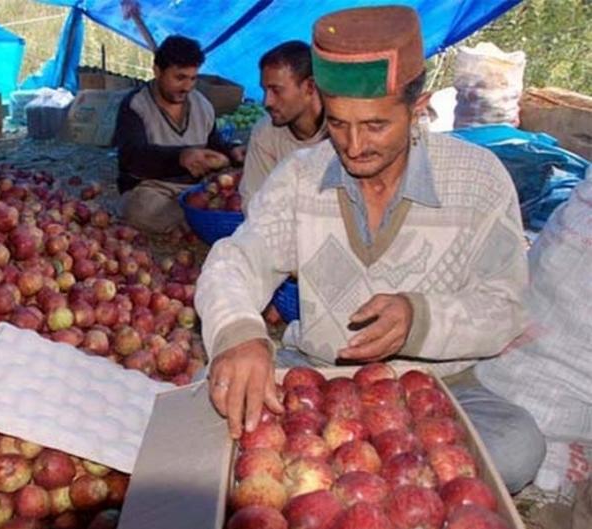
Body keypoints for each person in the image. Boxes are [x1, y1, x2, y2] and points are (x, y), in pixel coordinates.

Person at [194, 5, 545, 493]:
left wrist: (419, 318)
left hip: (434, 389)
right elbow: (238, 259)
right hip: (318, 378)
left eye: (376, 125)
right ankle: (382, 480)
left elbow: (505, 306)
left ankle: (335, 478)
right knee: (206, 409)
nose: (354, 146)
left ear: (417, 109)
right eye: (338, 124)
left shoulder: (479, 180)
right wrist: (238, 333)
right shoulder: (299, 178)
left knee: (515, 445)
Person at [113, 35, 244, 234]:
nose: (187, 87)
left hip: (197, 188)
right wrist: (181, 157)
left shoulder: (202, 105)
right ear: (157, 71)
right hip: (152, 189)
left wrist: (232, 151)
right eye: (180, 78)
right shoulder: (135, 105)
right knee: (139, 206)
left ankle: (193, 220)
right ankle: (198, 221)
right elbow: (132, 156)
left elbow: (213, 144)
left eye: (193, 78)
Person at [239, 41, 327, 208]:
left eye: (276, 90)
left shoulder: (342, 128)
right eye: (265, 91)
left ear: (310, 86)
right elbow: (255, 203)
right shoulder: (265, 133)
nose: (267, 102)